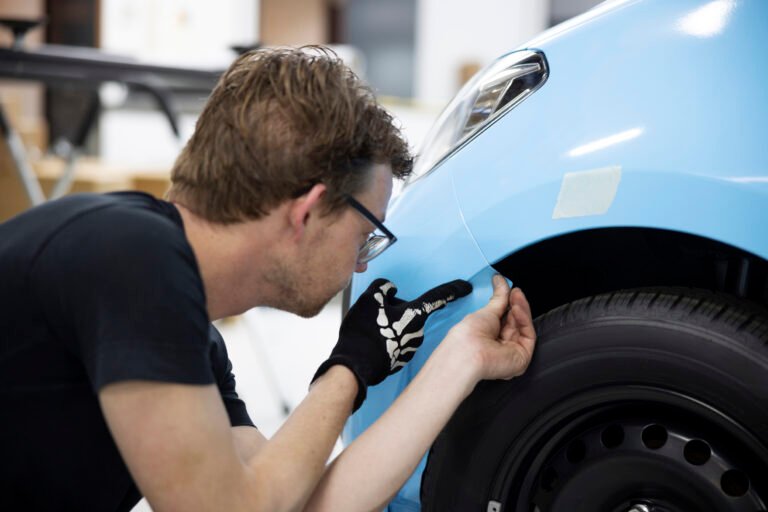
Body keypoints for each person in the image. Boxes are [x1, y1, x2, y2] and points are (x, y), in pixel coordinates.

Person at [0, 47, 536, 511]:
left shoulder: (190, 336)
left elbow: (297, 502)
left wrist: (461, 360)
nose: (362, 264)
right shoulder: (132, 257)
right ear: (307, 213)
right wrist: (348, 369)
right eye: (366, 233)